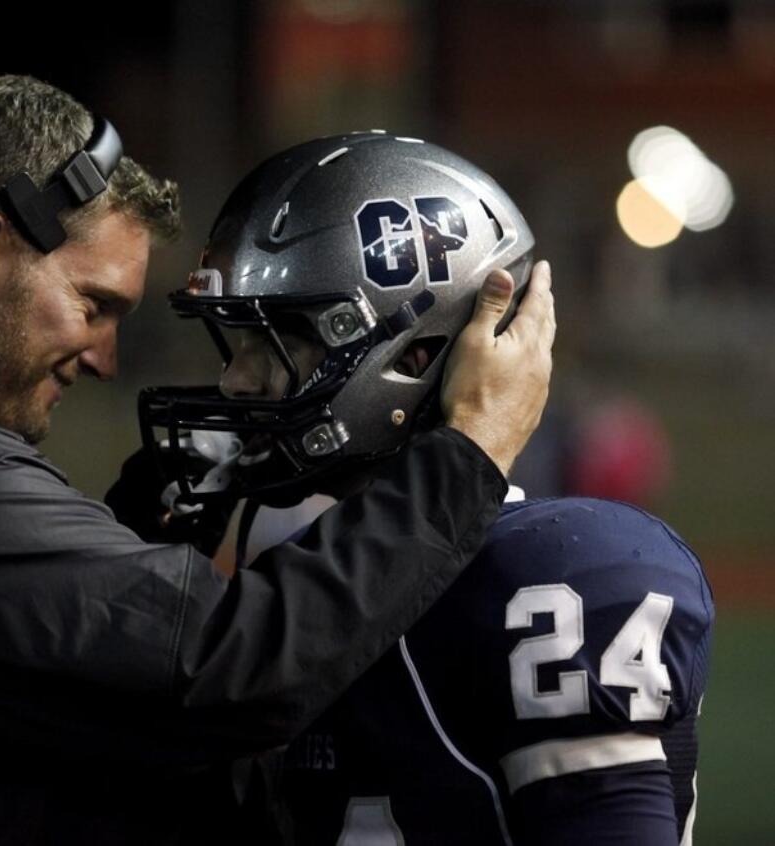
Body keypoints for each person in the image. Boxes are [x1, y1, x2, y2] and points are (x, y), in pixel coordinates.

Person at [0, 77, 554, 844]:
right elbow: (229, 666)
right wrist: (469, 450)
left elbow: (38, 717)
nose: (105, 359)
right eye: (93, 303)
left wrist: (148, 520)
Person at [142, 133, 711, 844]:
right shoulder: (309, 573)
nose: (235, 382)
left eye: (278, 342)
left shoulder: (550, 583)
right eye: (238, 345)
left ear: (413, 354)